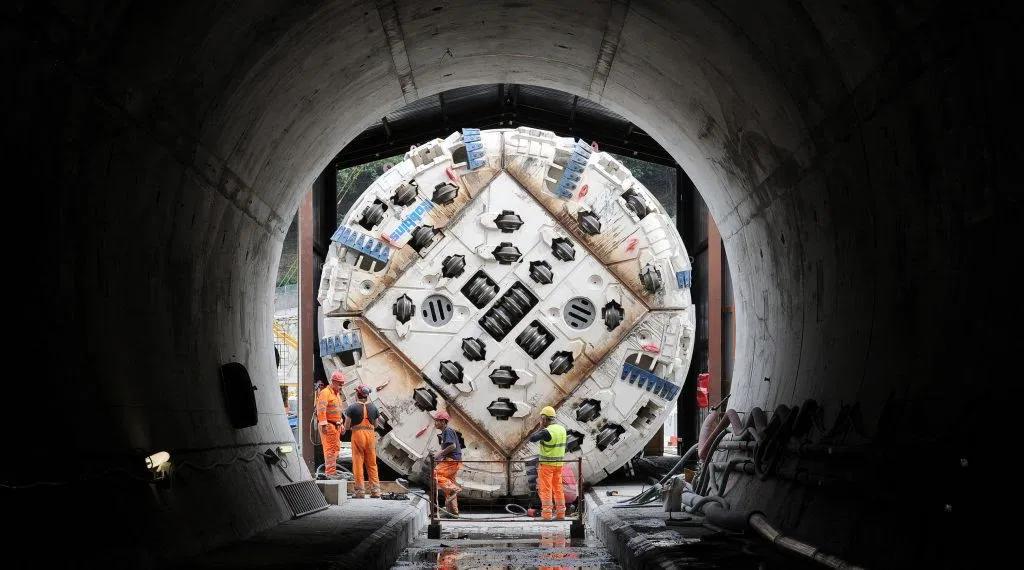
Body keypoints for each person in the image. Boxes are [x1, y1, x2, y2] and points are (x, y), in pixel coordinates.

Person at [528, 406, 567, 520]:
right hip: (558, 465)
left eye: (542, 419)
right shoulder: (562, 429)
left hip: (547, 466)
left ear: (545, 419)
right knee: (558, 488)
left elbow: (532, 438)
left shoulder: (547, 431)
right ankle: (561, 514)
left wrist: (540, 427)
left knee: (546, 489)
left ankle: (547, 515)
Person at [343, 383, 381, 498]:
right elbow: (376, 425)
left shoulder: (352, 408)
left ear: (357, 394)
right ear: (367, 396)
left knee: (358, 463)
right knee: (372, 464)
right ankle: (376, 491)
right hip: (370, 436)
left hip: (358, 436)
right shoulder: (373, 407)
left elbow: (347, 426)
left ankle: (360, 492)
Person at [316, 371, 347, 480]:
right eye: (339, 384)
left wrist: (341, 424)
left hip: (336, 426)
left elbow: (338, 411)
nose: (341, 386)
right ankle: (330, 473)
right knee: (330, 450)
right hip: (328, 425)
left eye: (342, 384)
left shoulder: (336, 394)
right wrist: (324, 424)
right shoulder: (325, 393)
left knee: (335, 450)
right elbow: (321, 409)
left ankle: (332, 472)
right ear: (333, 382)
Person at [432, 411, 462, 518]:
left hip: (451, 460)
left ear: (444, 422)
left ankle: (454, 489)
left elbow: (452, 446)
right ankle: (453, 512)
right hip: (454, 460)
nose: (435, 423)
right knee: (449, 483)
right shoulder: (446, 431)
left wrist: (439, 454)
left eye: (437, 421)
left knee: (436, 473)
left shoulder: (447, 431)